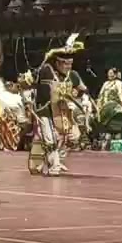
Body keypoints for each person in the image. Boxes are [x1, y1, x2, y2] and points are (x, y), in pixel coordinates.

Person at [28, 35, 86, 176]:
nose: (68, 67)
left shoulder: (73, 75)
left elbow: (83, 89)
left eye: (70, 64)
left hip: (63, 112)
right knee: (50, 139)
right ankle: (54, 164)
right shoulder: (46, 71)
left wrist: (75, 92)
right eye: (65, 64)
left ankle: (56, 160)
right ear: (58, 63)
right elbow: (30, 80)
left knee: (73, 136)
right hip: (45, 110)